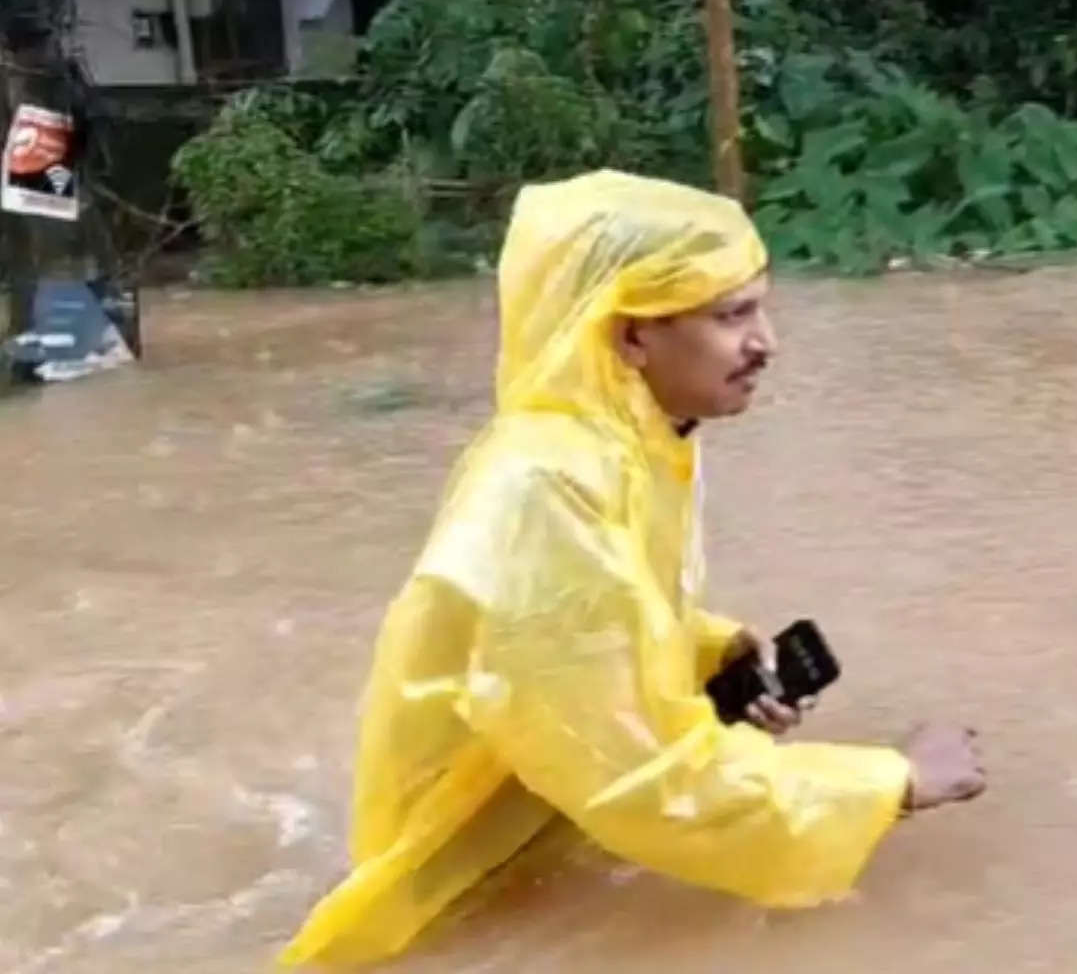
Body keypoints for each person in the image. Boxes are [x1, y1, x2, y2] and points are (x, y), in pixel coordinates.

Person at [279, 172, 986, 966]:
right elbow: (648, 783)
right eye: (731, 316)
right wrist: (894, 783)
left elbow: (591, 634)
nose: (766, 343)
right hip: (452, 880)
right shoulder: (548, 487)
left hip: (527, 820)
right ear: (628, 337)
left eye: (761, 306)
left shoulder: (628, 441)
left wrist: (702, 650)